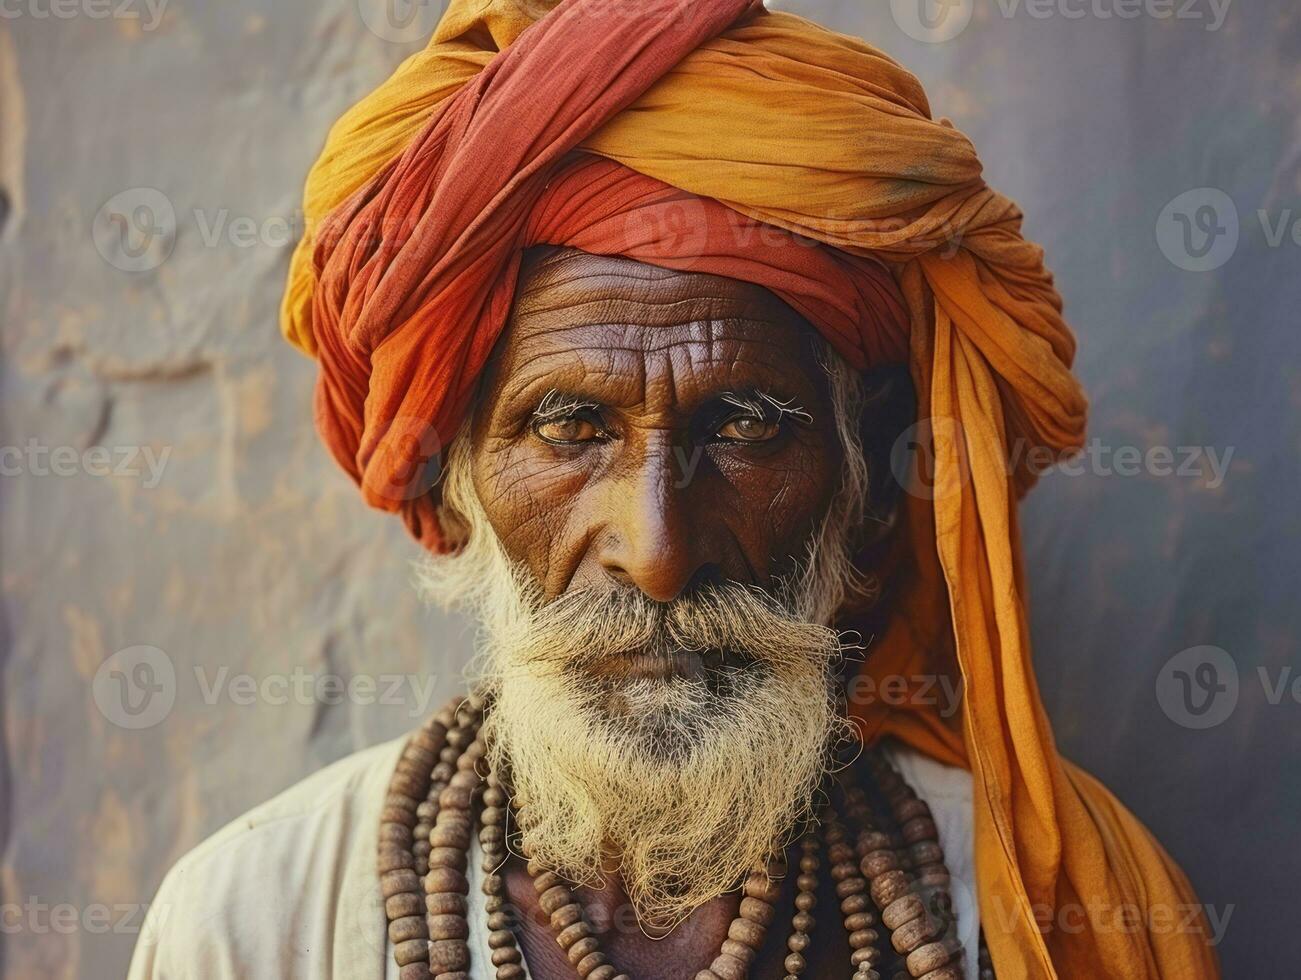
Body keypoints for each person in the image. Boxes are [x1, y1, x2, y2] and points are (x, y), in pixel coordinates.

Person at [129, 1, 1220, 977]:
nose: (655, 548)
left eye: (744, 427)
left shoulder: (1061, 919)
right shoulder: (251, 926)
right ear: (453, 480)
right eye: (570, 427)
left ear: (872, 481)